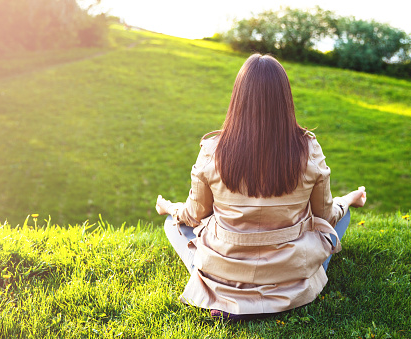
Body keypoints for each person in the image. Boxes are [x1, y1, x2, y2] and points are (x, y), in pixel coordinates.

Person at [155, 54, 367, 321]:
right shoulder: (308, 148)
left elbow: (194, 215)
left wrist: (169, 208)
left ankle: (220, 292)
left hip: (226, 267)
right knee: (341, 215)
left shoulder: (213, 149)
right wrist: (350, 199)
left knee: (172, 224)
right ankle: (287, 292)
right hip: (290, 271)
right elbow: (325, 215)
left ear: (238, 98)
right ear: (284, 99)